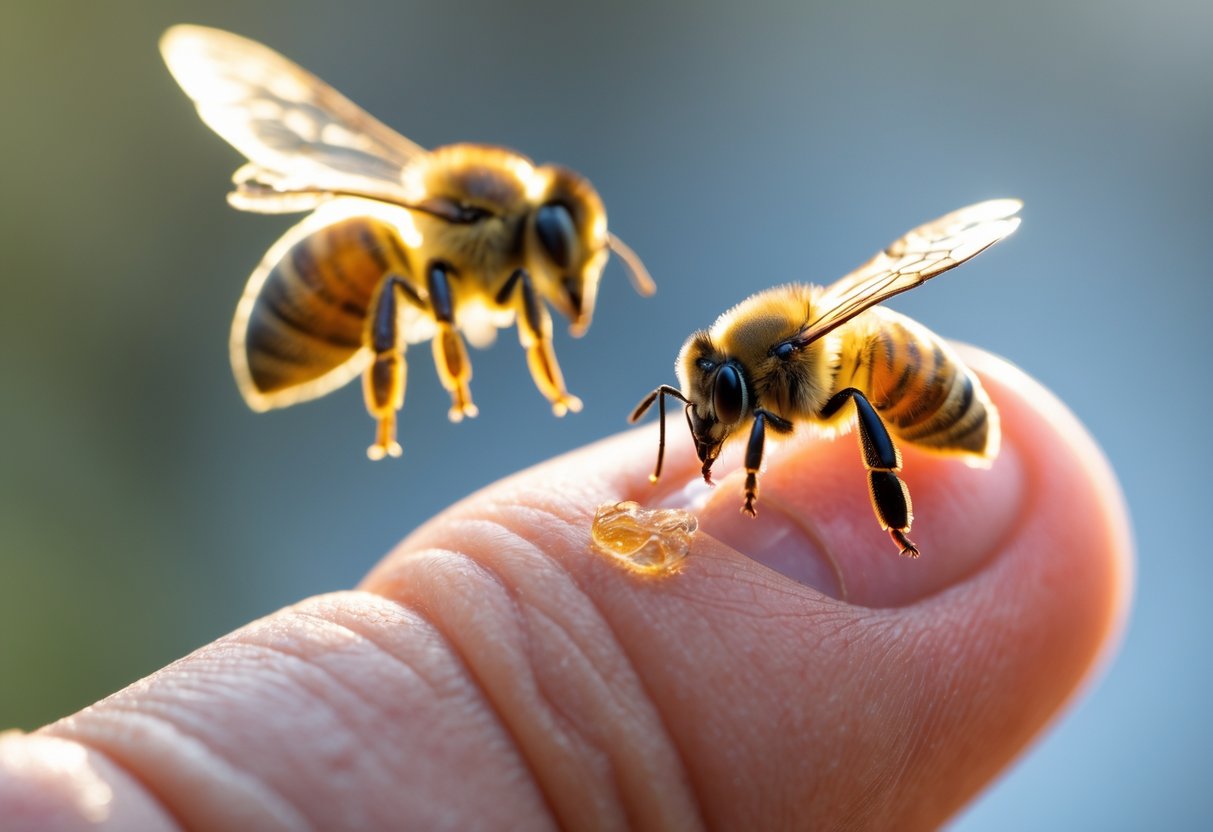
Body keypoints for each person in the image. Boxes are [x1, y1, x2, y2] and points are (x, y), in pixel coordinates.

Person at [0, 350, 1131, 830]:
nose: (716, 422)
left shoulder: (807, 367)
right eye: (711, 411)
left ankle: (893, 506)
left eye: (725, 408)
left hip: (917, 393)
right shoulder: (745, 382)